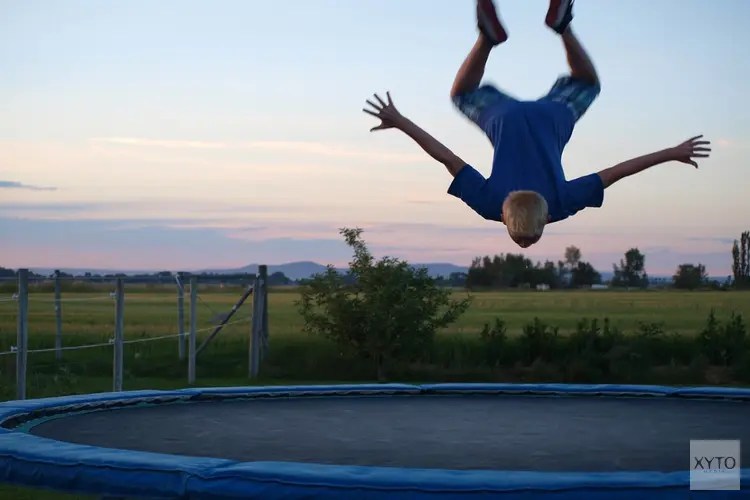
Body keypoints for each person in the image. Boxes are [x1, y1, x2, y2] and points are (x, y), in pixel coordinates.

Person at [363, 0, 711, 248]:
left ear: (543, 221)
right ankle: (486, 38)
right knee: (461, 94)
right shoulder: (490, 205)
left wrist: (671, 152)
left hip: (552, 119)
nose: (525, 245)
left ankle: (563, 27)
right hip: (505, 120)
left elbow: (616, 172)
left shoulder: (560, 205)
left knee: (588, 83)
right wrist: (401, 121)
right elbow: (447, 158)